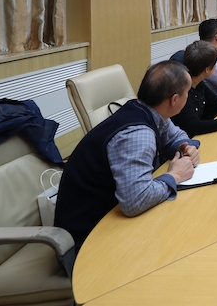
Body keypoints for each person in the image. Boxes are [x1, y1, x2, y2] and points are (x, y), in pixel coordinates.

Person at [55, 60, 201, 249]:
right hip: (89, 236)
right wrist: (175, 175)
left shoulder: (148, 110)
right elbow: (135, 201)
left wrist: (186, 147)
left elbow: (177, 135)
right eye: (187, 92)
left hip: (112, 212)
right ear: (174, 100)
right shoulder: (139, 135)